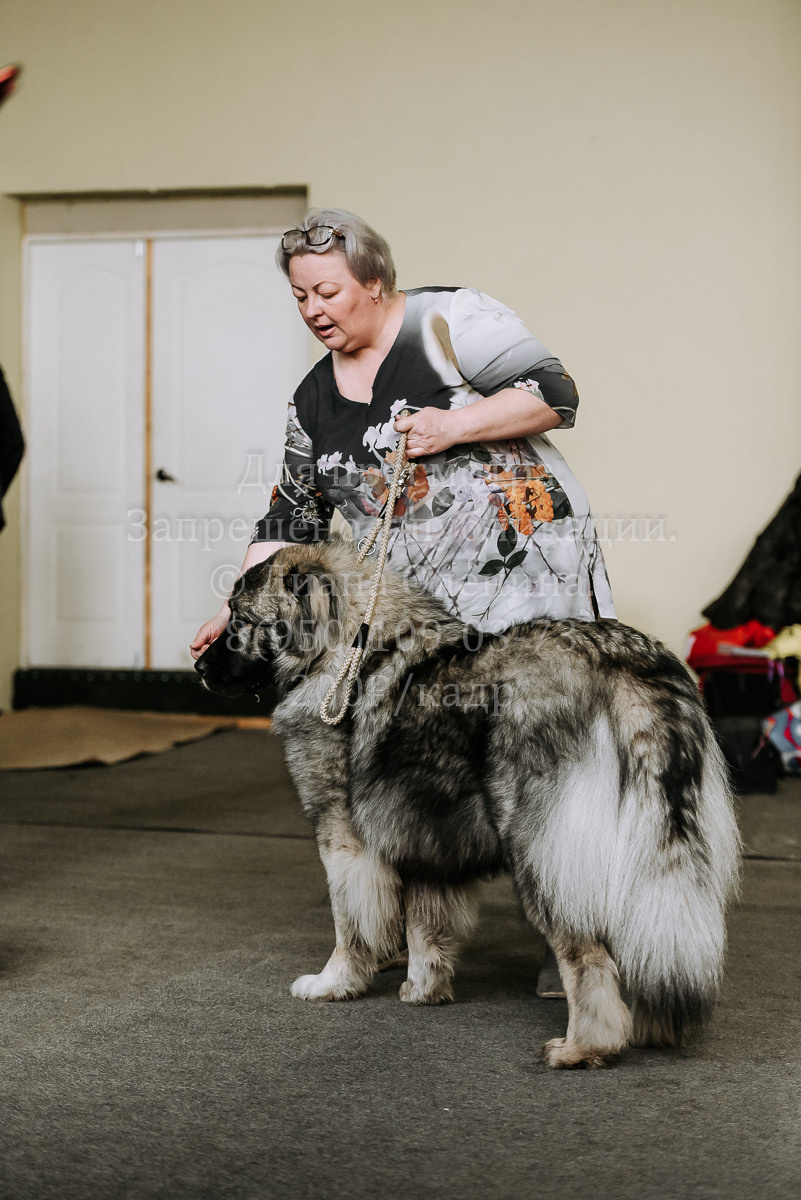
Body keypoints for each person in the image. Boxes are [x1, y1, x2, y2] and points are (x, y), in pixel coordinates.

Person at [190, 208, 616, 997]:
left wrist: (453, 425)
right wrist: (237, 607)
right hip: (427, 602)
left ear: (375, 283)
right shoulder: (313, 398)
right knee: (436, 770)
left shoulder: (449, 320)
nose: (314, 309)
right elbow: (291, 511)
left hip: (530, 573)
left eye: (326, 291)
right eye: (299, 298)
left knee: (551, 760)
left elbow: (555, 393)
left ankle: (580, 947)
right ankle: (412, 945)